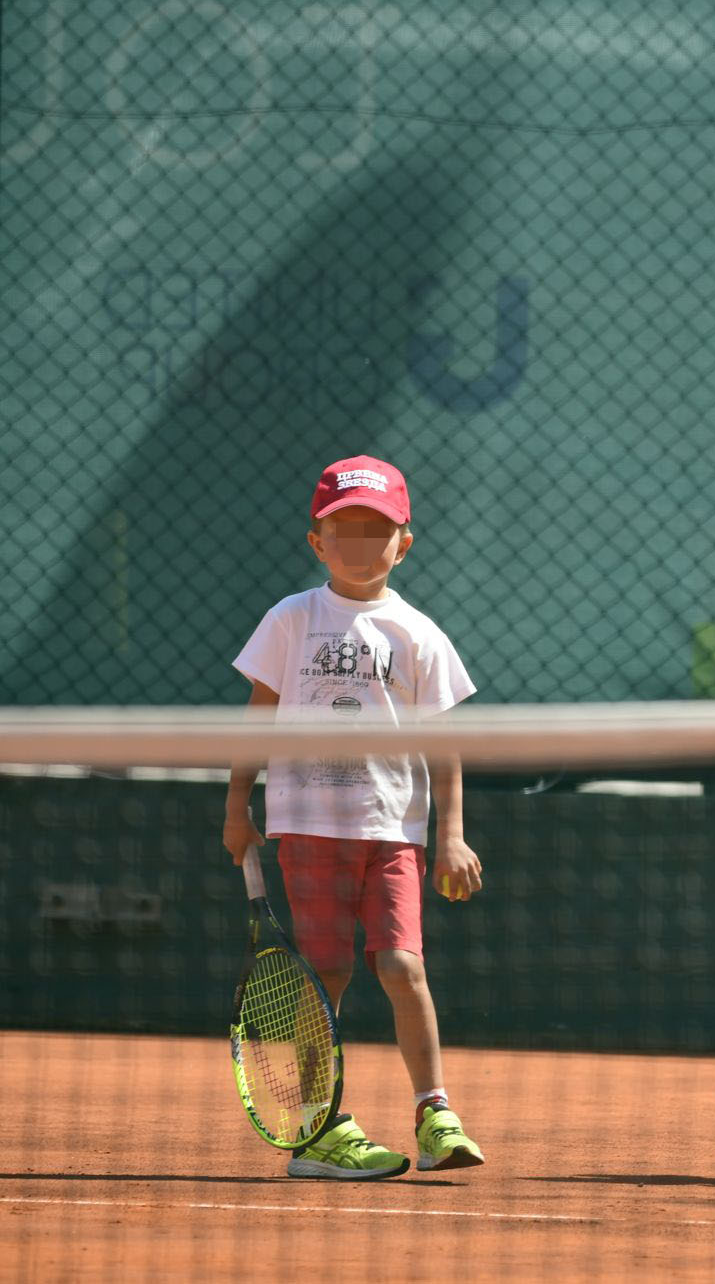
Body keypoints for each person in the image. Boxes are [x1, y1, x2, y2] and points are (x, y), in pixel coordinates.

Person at [222, 455, 486, 1180]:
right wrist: (235, 804)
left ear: (405, 542)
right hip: (306, 829)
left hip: (392, 834)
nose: (363, 543)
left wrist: (451, 834)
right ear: (317, 542)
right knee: (326, 973)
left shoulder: (420, 635)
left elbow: (444, 745)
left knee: (403, 966)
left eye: (378, 530)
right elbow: (258, 719)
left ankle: (435, 1113)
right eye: (347, 529)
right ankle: (318, 1130)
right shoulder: (291, 619)